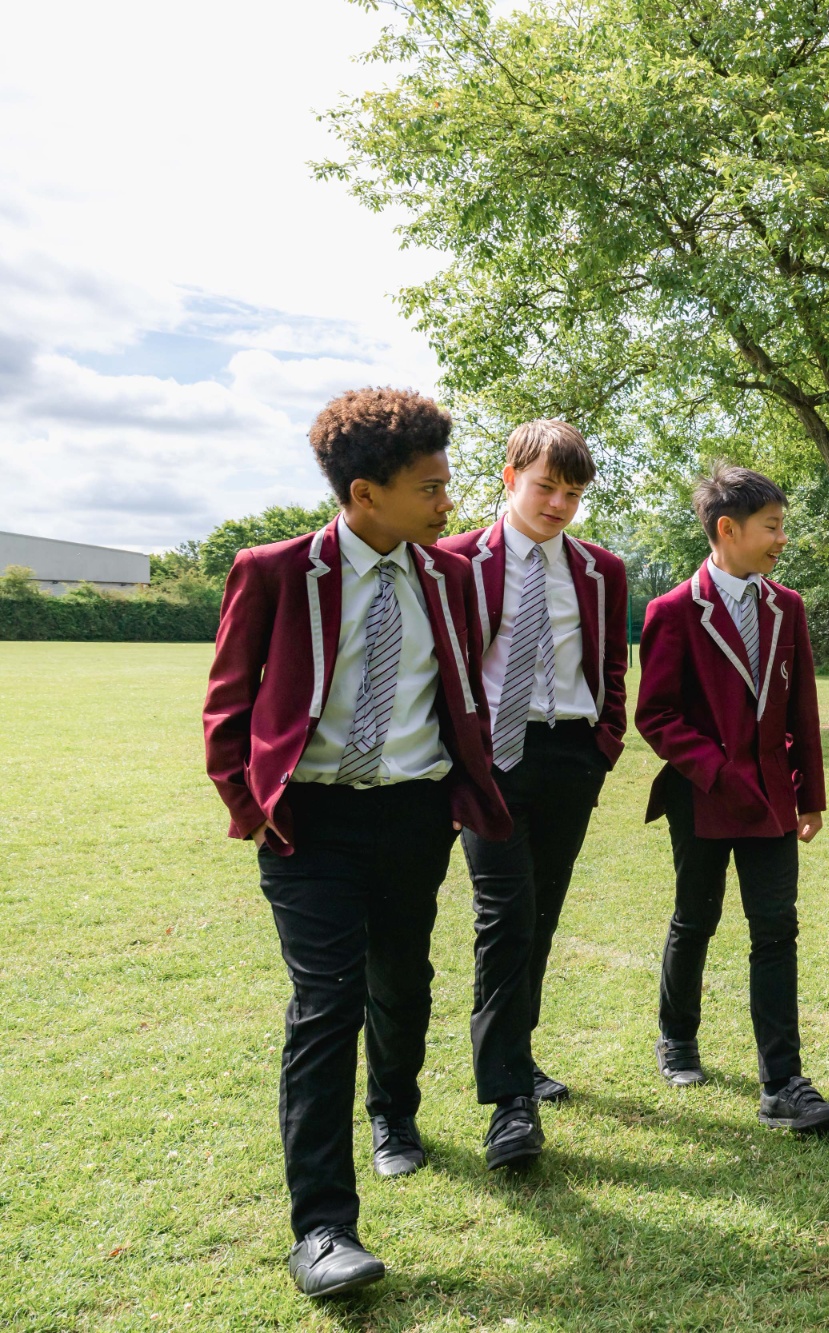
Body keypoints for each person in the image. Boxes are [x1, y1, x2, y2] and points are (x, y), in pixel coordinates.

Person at [203, 388, 510, 1299]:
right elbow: (227, 702)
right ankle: (324, 1229)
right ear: (365, 493)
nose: (449, 504)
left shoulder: (453, 577)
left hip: (415, 815)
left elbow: (462, 693)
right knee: (326, 1003)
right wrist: (248, 800)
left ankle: (396, 1112)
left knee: (402, 978)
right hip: (310, 821)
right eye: (431, 488)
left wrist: (460, 791)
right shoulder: (272, 571)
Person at [634, 464, 829, 1135]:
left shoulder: (788, 607)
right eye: (773, 526)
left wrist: (809, 792)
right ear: (728, 529)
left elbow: (802, 708)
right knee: (694, 919)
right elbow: (656, 714)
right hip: (703, 798)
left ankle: (783, 1082)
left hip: (773, 802)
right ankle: (677, 1036)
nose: (783, 538)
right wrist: (718, 771)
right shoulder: (670, 612)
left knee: (776, 929)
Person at [438, 420, 627, 1167]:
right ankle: (509, 1104)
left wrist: (603, 744)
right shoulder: (453, 561)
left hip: (569, 754)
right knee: (505, 913)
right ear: (509, 475)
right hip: (489, 759)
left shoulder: (602, 569)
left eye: (573, 492)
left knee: (541, 914)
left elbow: (612, 664)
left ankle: (517, 1053)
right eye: (546, 485)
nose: (558, 503)